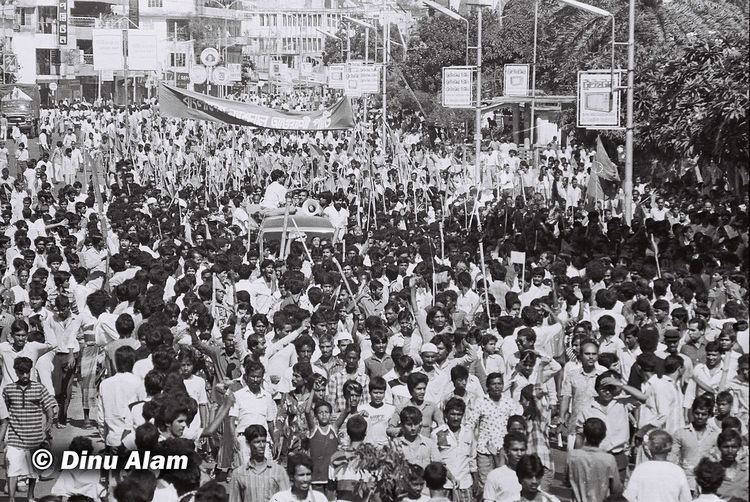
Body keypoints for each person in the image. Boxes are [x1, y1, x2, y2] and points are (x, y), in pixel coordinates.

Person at [0, 357, 57, 502]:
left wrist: (49, 422)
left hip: (35, 438)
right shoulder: (8, 390)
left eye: (27, 372)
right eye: (21, 372)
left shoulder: (39, 388)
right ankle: (11, 498)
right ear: (16, 372)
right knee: (12, 469)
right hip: (15, 438)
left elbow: (49, 407)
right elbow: (4, 413)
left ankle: (30, 496)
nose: (25, 376)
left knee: (33, 473)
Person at [623, 429, 691, 502]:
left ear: (649, 448)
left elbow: (630, 497)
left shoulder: (640, 469)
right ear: (670, 448)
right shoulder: (677, 471)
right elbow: (686, 499)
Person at [229, 424, 290, 502]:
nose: (262, 445)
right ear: (248, 443)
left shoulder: (278, 471)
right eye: (257, 442)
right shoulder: (238, 473)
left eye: (264, 441)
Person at [567, 417, 622, 502]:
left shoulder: (573, 455)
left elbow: (567, 481)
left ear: (584, 434)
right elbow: (616, 489)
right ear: (604, 436)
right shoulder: (609, 459)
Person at [483, 431, 527, 502]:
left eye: (522, 450)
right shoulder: (495, 475)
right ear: (506, 451)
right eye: (515, 450)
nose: (519, 454)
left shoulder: (531, 474)